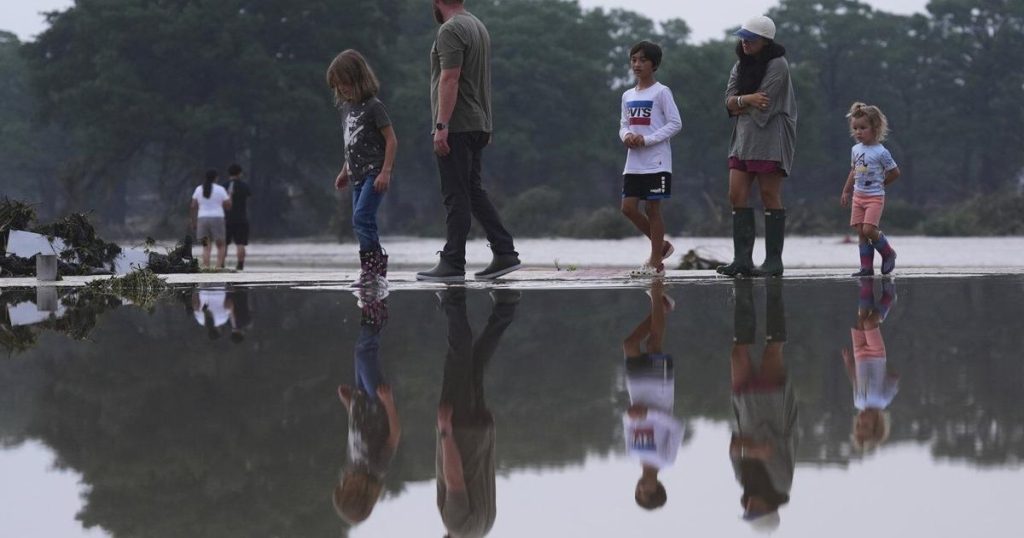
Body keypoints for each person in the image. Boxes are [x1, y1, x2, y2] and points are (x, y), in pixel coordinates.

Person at [418, 0, 521, 282]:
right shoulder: (477, 26)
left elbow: (450, 79)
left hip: (458, 125)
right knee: (472, 191)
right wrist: (487, 124)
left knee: (456, 194)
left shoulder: (451, 30)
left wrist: (442, 125)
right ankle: (505, 252)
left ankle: (452, 262)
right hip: (477, 123)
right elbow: (482, 81)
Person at [717, 16, 797, 278]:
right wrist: (745, 99)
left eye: (751, 38)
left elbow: (765, 104)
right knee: (736, 194)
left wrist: (741, 103)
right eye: (743, 37)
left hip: (769, 137)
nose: (745, 42)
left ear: (765, 41)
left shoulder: (778, 65)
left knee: (768, 194)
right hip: (741, 139)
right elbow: (728, 102)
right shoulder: (739, 66)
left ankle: (774, 261)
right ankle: (742, 260)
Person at [435, 287, 519, 537]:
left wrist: (490, 436)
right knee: (459, 359)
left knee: (474, 366)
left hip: (480, 432)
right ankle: (453, 300)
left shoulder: (484, 528)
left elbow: (484, 475)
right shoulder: (455, 525)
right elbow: (455, 480)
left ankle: (506, 307)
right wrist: (445, 432)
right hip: (459, 430)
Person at [728, 280, 796, 531]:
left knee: (738, 352)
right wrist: (750, 448)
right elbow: (768, 449)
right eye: (754, 512)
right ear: (769, 510)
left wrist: (746, 447)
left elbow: (733, 448)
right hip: (771, 409)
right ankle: (774, 290)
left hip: (744, 410)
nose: (748, 508)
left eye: (747, 512)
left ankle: (742, 292)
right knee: (772, 350)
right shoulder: (781, 485)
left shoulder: (743, 483)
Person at [327, 49, 398, 286]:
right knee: (360, 221)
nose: (342, 90)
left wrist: (385, 171)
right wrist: (344, 170)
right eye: (338, 86)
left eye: (345, 84)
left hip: (374, 173)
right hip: (356, 175)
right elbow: (352, 142)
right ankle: (371, 271)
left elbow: (391, 140)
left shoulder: (374, 107)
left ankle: (374, 272)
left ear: (358, 78)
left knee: (362, 217)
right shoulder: (346, 109)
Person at [334, 287, 400, 525]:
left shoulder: (352, 467)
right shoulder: (376, 468)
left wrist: (349, 404)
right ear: (358, 492)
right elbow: (394, 436)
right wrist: (389, 403)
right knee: (364, 352)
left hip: (360, 401)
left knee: (360, 352)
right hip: (377, 402)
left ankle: (373, 309)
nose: (343, 482)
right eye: (345, 489)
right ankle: (376, 309)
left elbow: (356, 434)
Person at [618, 41, 683, 278]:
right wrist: (626, 136)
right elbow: (624, 124)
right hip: (633, 162)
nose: (637, 64)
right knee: (628, 208)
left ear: (653, 65)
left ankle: (656, 262)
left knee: (653, 208)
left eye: (642, 60)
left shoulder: (662, 92)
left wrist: (648, 140)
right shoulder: (627, 95)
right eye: (634, 59)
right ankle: (662, 246)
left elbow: (675, 123)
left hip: (656, 161)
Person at [622, 281, 684, 509]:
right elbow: (677, 427)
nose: (639, 488)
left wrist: (630, 415)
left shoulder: (633, 455)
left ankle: (662, 306)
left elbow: (628, 425)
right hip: (659, 393)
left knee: (629, 345)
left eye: (637, 493)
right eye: (644, 493)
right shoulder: (666, 459)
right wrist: (649, 413)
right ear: (656, 489)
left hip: (637, 392)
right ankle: (657, 294)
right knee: (653, 345)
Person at [840, 103, 901, 276]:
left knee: (869, 230)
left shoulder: (881, 152)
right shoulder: (855, 149)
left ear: (875, 127)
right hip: (858, 196)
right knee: (860, 231)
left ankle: (888, 253)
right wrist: (846, 190)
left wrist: (883, 183)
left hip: (874, 197)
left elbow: (895, 172)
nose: (858, 132)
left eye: (863, 128)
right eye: (855, 128)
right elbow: (854, 171)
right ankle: (866, 267)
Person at [842, 277, 898, 452]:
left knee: (861, 320)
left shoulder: (858, 402)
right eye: (865, 425)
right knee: (869, 323)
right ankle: (889, 297)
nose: (861, 421)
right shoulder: (883, 400)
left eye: (858, 425)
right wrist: (887, 375)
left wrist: (849, 362)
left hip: (859, 355)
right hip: (875, 354)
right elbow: (894, 380)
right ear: (876, 424)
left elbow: (856, 379)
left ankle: (866, 285)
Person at [190, 169, 232, 269]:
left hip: (202, 220)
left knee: (205, 246)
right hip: (217, 219)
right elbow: (228, 205)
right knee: (221, 245)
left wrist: (193, 221)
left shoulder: (199, 189)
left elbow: (193, 205)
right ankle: (218, 267)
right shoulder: (220, 189)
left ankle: (206, 267)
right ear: (216, 178)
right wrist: (230, 197)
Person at [223, 163, 252, 271]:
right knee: (240, 243)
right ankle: (240, 265)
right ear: (239, 173)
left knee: (224, 244)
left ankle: (221, 263)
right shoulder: (244, 186)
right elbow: (249, 196)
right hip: (241, 218)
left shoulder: (224, 186)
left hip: (226, 218)